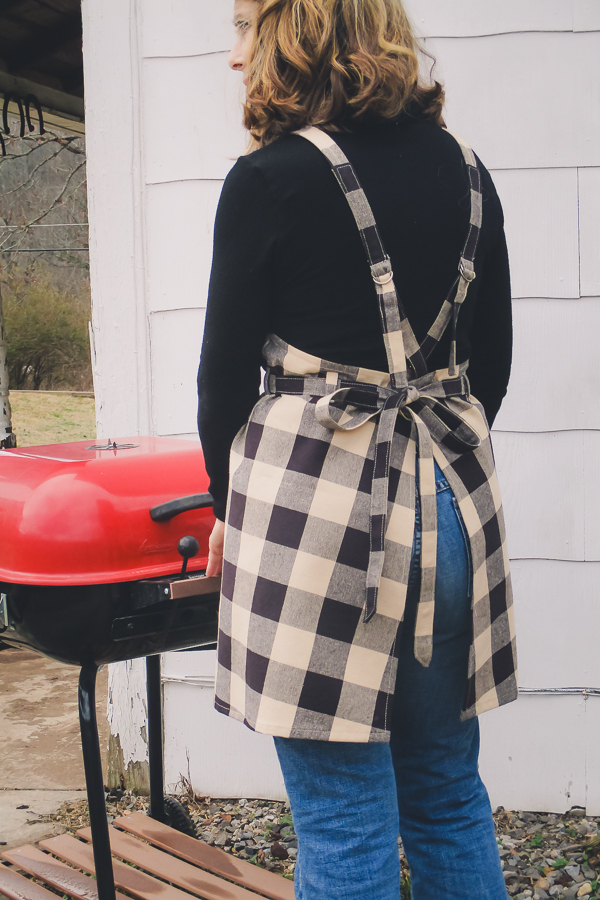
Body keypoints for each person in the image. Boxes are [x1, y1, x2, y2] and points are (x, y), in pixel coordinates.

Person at [197, 2, 517, 898]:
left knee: (343, 822)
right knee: (450, 793)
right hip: (452, 520)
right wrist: (422, 461)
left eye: (244, 28)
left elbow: (222, 381)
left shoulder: (267, 181)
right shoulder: (470, 172)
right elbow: (489, 369)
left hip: (318, 530)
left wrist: (230, 510)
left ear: (295, 34)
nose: (233, 58)